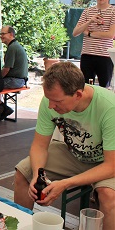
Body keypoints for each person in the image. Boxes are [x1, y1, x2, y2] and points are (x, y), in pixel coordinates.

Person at [13, 62, 115, 230]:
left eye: (57, 101)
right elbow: (39, 146)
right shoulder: (50, 101)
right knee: (24, 172)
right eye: (48, 99)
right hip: (73, 154)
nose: (51, 106)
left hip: (104, 161)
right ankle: (21, 226)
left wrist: (65, 183)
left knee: (109, 196)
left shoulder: (109, 107)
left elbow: (111, 166)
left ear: (78, 94)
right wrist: (38, 175)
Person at [73, 0, 115, 87]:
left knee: (104, 88)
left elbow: (110, 35)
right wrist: (90, 21)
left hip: (105, 56)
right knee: (85, 87)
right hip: (87, 54)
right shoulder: (87, 11)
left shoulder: (113, 11)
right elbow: (75, 32)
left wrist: (89, 33)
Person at [0, 26, 28, 121]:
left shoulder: (12, 48)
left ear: (11, 34)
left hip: (15, 80)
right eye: (0, 34)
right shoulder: (15, 46)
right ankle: (0, 108)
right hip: (20, 80)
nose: (1, 36)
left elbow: (6, 69)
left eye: (3, 34)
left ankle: (2, 107)